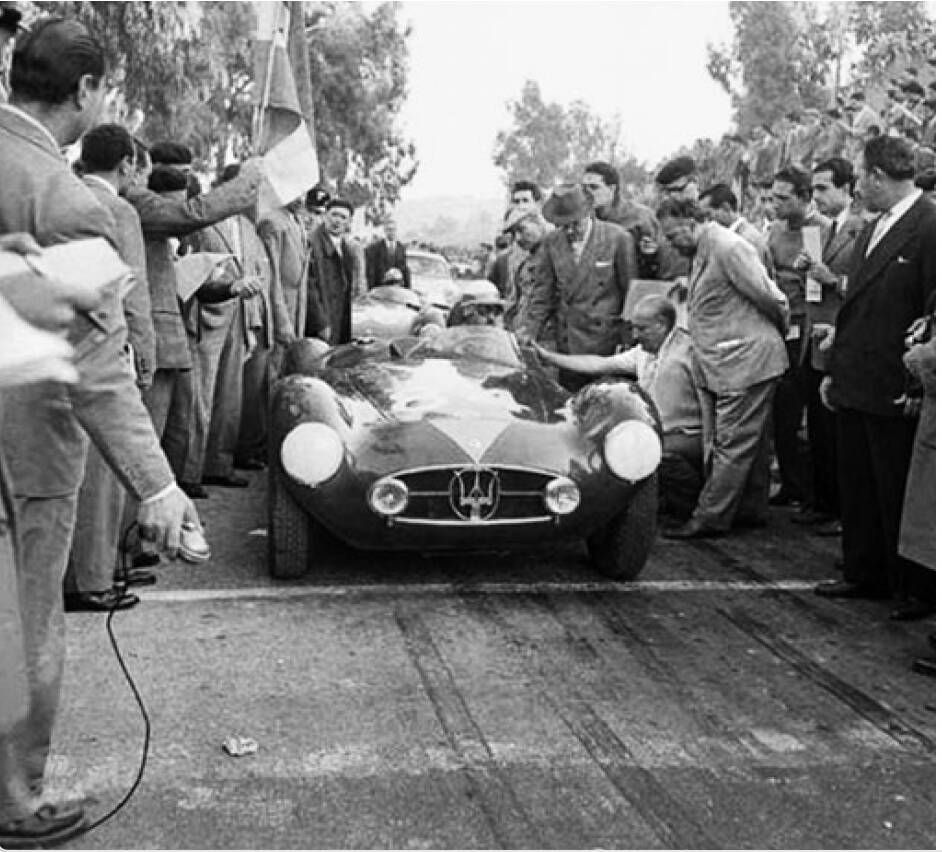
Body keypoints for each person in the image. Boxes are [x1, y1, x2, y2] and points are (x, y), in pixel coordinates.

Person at [0, 19, 202, 842]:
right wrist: (156, 484)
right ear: (85, 91)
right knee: (23, 631)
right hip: (24, 460)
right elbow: (95, 367)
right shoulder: (67, 201)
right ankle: (14, 799)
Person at [817, 135, 935, 621]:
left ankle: (910, 587)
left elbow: (931, 314)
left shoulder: (929, 226)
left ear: (878, 176)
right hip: (857, 379)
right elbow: (854, 306)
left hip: (895, 384)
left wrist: (918, 385)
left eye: (861, 176)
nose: (857, 187)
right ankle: (865, 571)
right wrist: (835, 370)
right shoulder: (873, 227)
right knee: (859, 483)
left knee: (897, 488)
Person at [656, 198, 788, 539]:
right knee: (750, 444)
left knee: (730, 444)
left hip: (745, 361)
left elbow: (772, 299)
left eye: (672, 236)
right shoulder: (703, 249)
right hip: (728, 363)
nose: (669, 244)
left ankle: (709, 518)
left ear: (691, 222)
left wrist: (764, 339)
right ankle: (750, 510)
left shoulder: (729, 247)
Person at [65, 123, 157, 610]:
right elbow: (132, 291)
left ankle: (90, 569)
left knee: (75, 471)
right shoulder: (119, 211)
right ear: (126, 165)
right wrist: (145, 350)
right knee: (103, 473)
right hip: (106, 351)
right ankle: (92, 579)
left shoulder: (63, 194)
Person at [534, 295, 704, 519]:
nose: (635, 336)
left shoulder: (689, 352)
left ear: (661, 325)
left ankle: (688, 511)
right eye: (634, 328)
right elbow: (598, 364)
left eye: (642, 329)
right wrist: (549, 357)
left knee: (639, 457)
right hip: (655, 433)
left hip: (686, 436)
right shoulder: (643, 353)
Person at [789, 157, 866, 535]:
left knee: (836, 433)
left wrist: (832, 279)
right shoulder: (823, 230)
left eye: (823, 188)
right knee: (819, 430)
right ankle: (822, 502)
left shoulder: (862, 228)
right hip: (814, 339)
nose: (816, 196)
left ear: (846, 189)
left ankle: (839, 510)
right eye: (813, 189)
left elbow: (869, 289)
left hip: (839, 340)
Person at [517, 184, 638, 390]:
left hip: (606, 345)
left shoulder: (617, 238)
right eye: (564, 225)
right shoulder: (552, 242)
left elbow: (631, 294)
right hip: (569, 347)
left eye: (575, 224)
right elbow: (542, 295)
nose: (570, 231)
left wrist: (629, 340)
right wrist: (529, 331)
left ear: (589, 213)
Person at [766, 164, 831, 510]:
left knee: (811, 414)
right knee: (783, 412)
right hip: (781, 328)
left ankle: (813, 491)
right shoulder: (774, 231)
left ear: (804, 198)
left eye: (783, 198)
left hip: (809, 333)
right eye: (773, 197)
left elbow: (820, 290)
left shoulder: (821, 231)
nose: (775, 204)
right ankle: (791, 483)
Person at [582, 161, 662, 279]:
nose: (587, 193)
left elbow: (659, 260)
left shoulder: (641, 217)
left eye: (594, 187)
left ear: (612, 189)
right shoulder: (583, 220)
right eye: (584, 188)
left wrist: (650, 255)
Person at [307, 198, 360, 345]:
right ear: (325, 216)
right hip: (319, 324)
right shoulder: (312, 243)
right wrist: (320, 323)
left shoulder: (346, 248)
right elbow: (309, 287)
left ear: (349, 222)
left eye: (343, 217)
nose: (337, 220)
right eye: (334, 215)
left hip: (338, 320)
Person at [697, 182, 773, 275]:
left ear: (725, 208)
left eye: (708, 215)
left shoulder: (749, 240)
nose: (706, 222)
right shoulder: (723, 237)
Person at [501, 207, 548, 333]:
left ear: (537, 223)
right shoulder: (524, 264)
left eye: (521, 229)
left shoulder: (555, 256)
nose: (517, 238)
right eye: (513, 234)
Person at [365, 218, 410, 290]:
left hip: (397, 289)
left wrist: (408, 289)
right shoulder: (375, 247)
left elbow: (404, 269)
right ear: (385, 231)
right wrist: (371, 289)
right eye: (389, 229)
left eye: (393, 229)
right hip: (380, 288)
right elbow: (371, 270)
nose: (391, 232)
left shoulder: (401, 248)